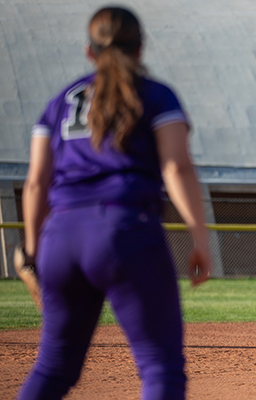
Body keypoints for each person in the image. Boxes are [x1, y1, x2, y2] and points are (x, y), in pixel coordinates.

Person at [17, 6, 212, 400]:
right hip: (125, 231)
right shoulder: (155, 95)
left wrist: (34, 250)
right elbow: (176, 168)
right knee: (161, 371)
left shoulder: (59, 102)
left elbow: (36, 182)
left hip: (61, 237)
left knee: (53, 370)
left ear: (89, 52)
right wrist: (200, 238)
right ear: (141, 49)